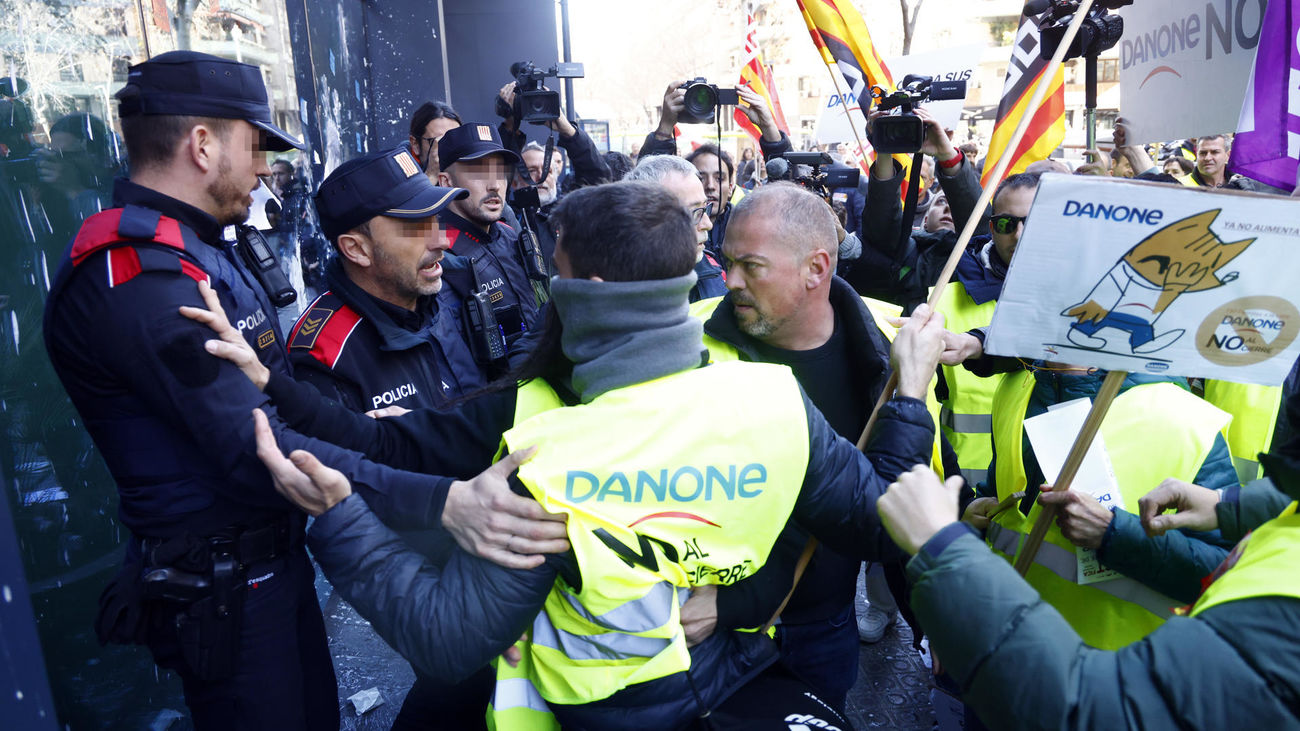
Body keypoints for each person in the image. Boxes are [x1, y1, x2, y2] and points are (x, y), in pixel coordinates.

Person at [190, 181, 948, 728]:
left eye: (551, 269)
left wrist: (339, 517)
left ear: (582, 289)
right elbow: (887, 521)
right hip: (730, 682)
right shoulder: (773, 400)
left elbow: (449, 637)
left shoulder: (539, 438)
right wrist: (910, 397)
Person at [40, 50, 492, 730]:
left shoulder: (199, 247)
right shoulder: (142, 277)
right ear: (201, 144)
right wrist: (440, 499)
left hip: (269, 566)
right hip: (224, 588)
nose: (263, 169)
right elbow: (264, 446)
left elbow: (273, 396)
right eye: (255, 146)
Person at [688, 182, 947, 707]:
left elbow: (921, 487)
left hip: (827, 626)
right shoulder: (689, 341)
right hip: (710, 627)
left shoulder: (893, 341)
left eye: (751, 266)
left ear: (816, 268)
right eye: (727, 260)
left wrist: (940, 616)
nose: (729, 280)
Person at [876, 436, 1300, 728]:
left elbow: (1094, 714)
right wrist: (1239, 505)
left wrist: (945, 554)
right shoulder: (1020, 385)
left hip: (1077, 678)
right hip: (1005, 669)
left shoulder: (1283, 612)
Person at [284, 147, 484, 412]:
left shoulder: (451, 288)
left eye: (436, 218)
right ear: (357, 249)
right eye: (415, 227)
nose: (442, 241)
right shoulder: (325, 354)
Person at [435, 123, 542, 347]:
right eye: (478, 172)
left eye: (500, 172)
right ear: (446, 182)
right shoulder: (435, 254)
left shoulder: (510, 234)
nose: (494, 185)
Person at [623, 154, 727, 302]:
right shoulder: (621, 295)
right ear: (646, 220)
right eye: (694, 213)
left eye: (705, 208)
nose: (707, 224)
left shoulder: (714, 271)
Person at [407, 100, 461, 180]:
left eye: (456, 140)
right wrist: (432, 173)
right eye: (440, 141)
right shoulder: (396, 174)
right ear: (415, 144)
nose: (451, 149)